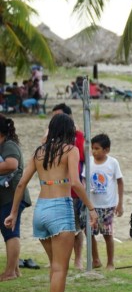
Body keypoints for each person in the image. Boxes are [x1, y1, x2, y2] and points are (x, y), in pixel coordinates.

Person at [5, 114, 98, 292]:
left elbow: (21, 184)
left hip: (41, 210)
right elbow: (75, 182)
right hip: (60, 210)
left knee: (56, 267)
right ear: (68, 131)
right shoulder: (71, 150)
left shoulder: (39, 152)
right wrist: (91, 208)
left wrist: (13, 213)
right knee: (59, 269)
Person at [81, 134, 124, 271]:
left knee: (107, 234)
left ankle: (110, 262)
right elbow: (83, 179)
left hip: (107, 205)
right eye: (92, 148)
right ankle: (96, 259)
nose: (94, 151)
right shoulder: (89, 162)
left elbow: (120, 181)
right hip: (92, 205)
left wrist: (120, 203)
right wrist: (85, 190)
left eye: (97, 149)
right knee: (89, 232)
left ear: (106, 150)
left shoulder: (112, 163)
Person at [51, 103, 86, 270]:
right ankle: (59, 260)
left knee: (77, 227)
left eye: (57, 116)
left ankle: (77, 259)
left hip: (74, 189)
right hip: (56, 191)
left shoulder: (78, 136)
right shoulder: (51, 140)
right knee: (59, 228)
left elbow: (85, 158)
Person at [0, 116, 31, 281]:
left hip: (13, 195)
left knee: (11, 233)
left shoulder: (9, 145)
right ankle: (16, 270)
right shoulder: (4, 145)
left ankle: (10, 272)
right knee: (9, 232)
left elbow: (11, 164)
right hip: (8, 196)